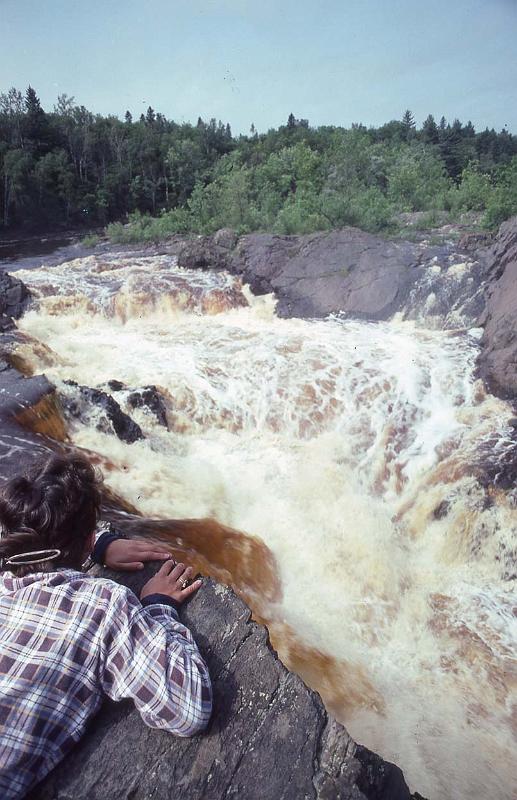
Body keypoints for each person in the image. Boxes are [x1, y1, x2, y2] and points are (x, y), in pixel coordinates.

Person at [0, 453, 212, 800]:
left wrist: (97, 543)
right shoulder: (102, 603)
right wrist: (157, 608)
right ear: (83, 537)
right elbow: (188, 710)